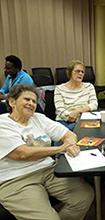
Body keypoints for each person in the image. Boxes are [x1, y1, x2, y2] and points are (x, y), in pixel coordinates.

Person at [0, 84, 94, 220]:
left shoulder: (38, 118)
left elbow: (67, 134)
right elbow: (21, 153)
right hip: (15, 178)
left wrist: (70, 143)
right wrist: (60, 148)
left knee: (84, 196)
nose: (31, 104)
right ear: (12, 102)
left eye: (33, 101)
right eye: (27, 99)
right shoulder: (2, 123)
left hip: (48, 170)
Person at [54, 60, 98, 130]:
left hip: (82, 119)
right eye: (77, 71)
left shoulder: (89, 86)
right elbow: (60, 110)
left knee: (68, 132)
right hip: (63, 120)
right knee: (67, 131)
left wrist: (77, 111)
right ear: (70, 73)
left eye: (82, 72)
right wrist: (71, 117)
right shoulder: (59, 89)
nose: (80, 73)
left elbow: (94, 104)